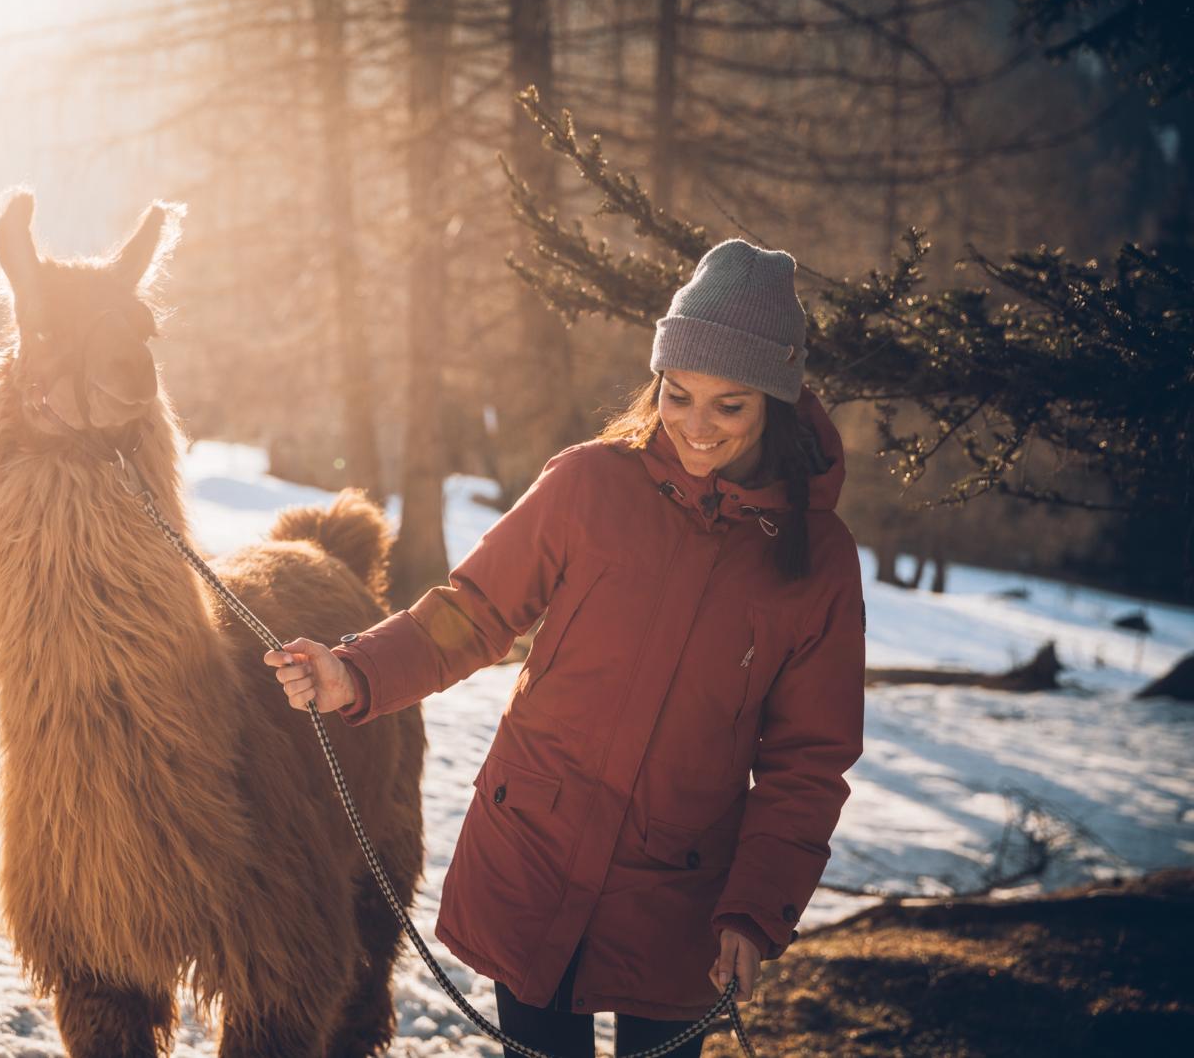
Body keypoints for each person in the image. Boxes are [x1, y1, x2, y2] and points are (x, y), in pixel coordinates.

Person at [264, 239, 866, 1058]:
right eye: (678, 394)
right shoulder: (589, 484)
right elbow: (472, 611)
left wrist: (756, 911)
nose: (695, 427)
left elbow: (808, 760)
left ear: (778, 401)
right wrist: (356, 670)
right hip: (534, 857)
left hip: (681, 899)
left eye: (729, 406)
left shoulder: (817, 559)